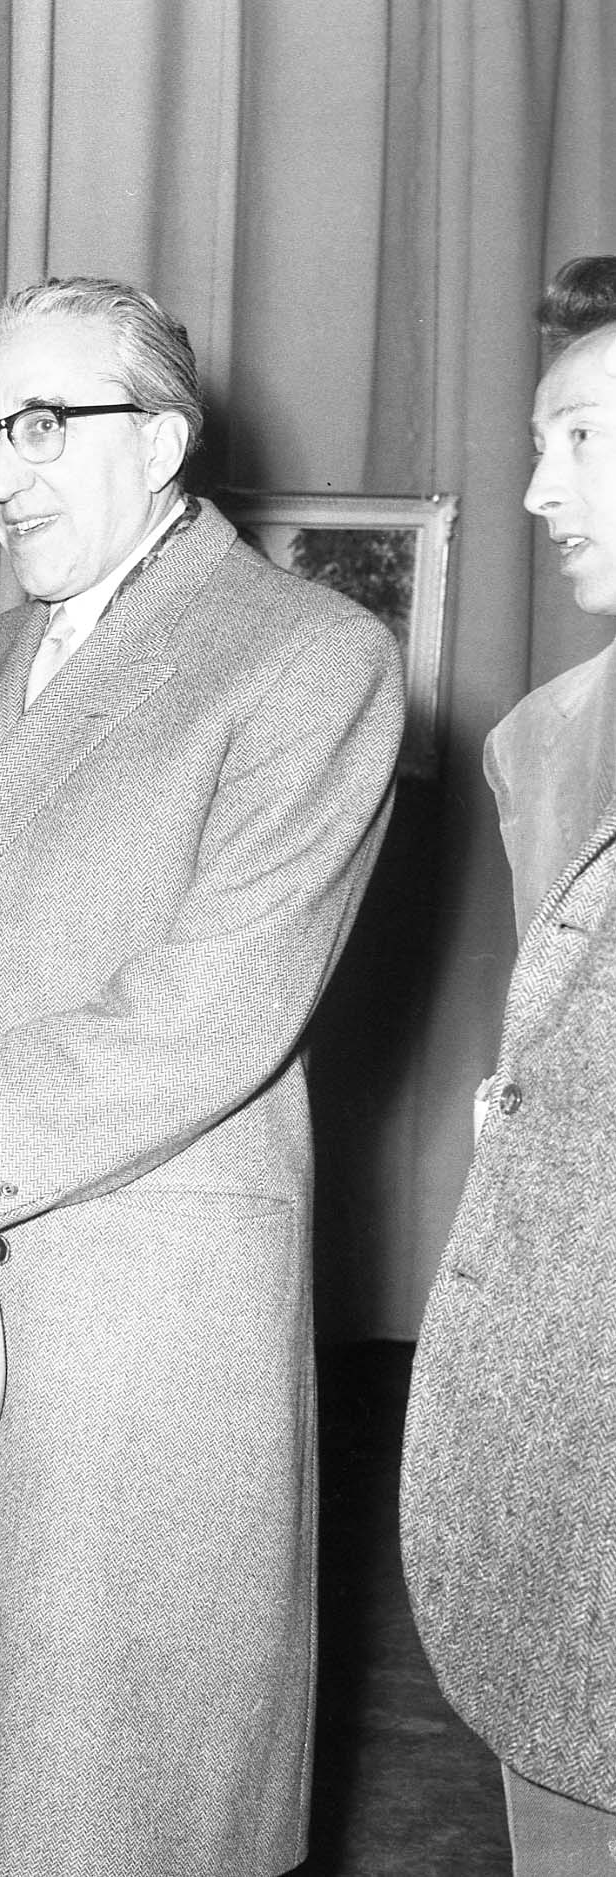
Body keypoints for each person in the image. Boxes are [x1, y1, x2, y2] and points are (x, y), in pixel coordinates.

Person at [0, 276, 405, 1877]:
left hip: (133, 1317)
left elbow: (214, 1005)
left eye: (45, 425)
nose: (3, 470)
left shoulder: (304, 657)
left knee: (111, 1795)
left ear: (164, 443)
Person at [399, 255, 616, 1875]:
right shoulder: (538, 740)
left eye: (580, 437)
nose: (536, 490)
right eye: (536, 442)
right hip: (555, 1411)